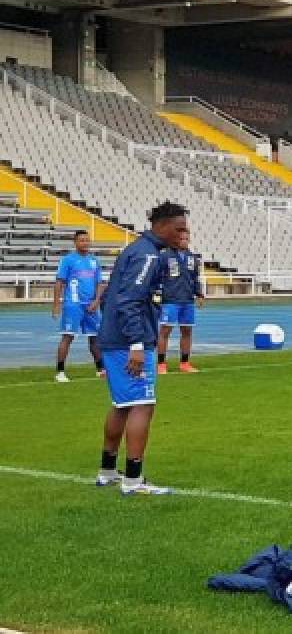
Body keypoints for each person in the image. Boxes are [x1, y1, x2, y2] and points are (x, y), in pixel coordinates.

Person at [94, 201, 189, 495]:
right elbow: (128, 301)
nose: (184, 234)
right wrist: (136, 344)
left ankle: (107, 471)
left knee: (122, 405)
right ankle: (133, 479)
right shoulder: (147, 256)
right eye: (179, 229)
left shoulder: (140, 251)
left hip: (114, 338)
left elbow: (117, 294)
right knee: (143, 404)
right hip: (130, 341)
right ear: (161, 226)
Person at [52, 230, 107, 382]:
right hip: (73, 305)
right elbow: (59, 282)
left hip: (91, 305)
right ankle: (60, 371)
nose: (85, 243)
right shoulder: (68, 260)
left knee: (95, 338)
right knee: (68, 337)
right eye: (81, 240)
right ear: (75, 242)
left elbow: (99, 283)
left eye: (87, 240)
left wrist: (96, 301)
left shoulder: (94, 261)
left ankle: (100, 369)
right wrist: (56, 304)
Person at [156, 228, 203, 374]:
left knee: (187, 331)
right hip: (170, 300)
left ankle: (184, 363)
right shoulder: (164, 257)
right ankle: (161, 364)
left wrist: (199, 294)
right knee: (165, 331)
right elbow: (156, 277)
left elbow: (195, 278)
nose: (184, 241)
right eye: (181, 239)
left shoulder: (192, 258)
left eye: (186, 239)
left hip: (187, 300)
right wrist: (157, 297)